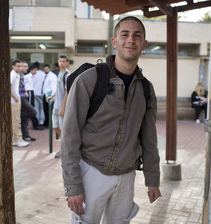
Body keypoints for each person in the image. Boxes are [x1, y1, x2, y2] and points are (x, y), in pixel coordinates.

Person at [61, 16, 161, 224]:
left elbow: (149, 138)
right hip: (91, 170)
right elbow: (70, 136)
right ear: (114, 42)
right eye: (125, 34)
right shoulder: (90, 79)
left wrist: (153, 179)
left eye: (137, 36)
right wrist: (73, 186)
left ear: (144, 44)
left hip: (126, 176)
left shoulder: (146, 89)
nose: (131, 40)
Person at [46, 55, 70, 158]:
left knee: (63, 129)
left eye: (63, 61)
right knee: (55, 126)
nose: (61, 63)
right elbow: (58, 90)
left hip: (61, 107)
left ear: (67, 63)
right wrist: (52, 96)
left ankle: (63, 150)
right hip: (56, 106)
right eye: (60, 61)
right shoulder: (59, 73)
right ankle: (64, 146)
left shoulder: (68, 75)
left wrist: (63, 108)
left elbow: (67, 92)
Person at [11, 59, 29, 147]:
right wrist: (15, 97)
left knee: (18, 120)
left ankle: (19, 138)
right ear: (13, 66)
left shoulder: (17, 74)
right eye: (17, 66)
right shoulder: (12, 74)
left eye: (20, 66)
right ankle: (16, 140)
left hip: (17, 101)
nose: (19, 68)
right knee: (15, 121)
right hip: (13, 102)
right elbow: (8, 87)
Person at [19, 65, 37, 141]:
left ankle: (26, 135)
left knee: (25, 119)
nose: (26, 68)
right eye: (24, 66)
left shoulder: (22, 76)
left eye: (27, 66)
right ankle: (18, 115)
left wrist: (26, 92)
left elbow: (23, 86)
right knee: (33, 112)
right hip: (20, 99)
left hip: (24, 97)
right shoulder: (16, 75)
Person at [24, 64, 43, 130]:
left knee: (32, 108)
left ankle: (35, 124)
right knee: (31, 108)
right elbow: (23, 85)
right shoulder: (27, 77)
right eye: (35, 70)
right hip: (29, 92)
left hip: (31, 92)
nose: (36, 72)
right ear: (31, 70)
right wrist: (26, 92)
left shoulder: (32, 77)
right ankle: (35, 124)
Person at [33, 61, 46, 126]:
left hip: (35, 93)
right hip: (41, 93)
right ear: (39, 67)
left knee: (36, 107)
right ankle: (42, 120)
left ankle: (37, 120)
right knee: (42, 108)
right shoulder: (43, 73)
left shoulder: (33, 74)